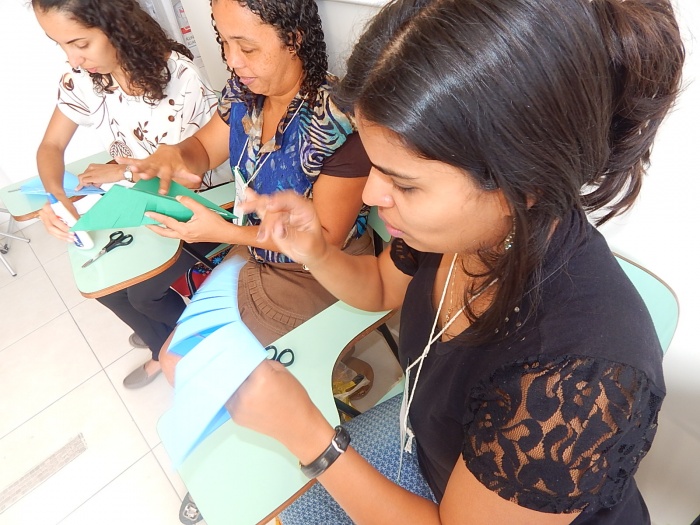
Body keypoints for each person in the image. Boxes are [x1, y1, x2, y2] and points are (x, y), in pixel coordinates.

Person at [225, 0, 685, 523]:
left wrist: (311, 437)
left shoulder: (579, 375)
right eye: (375, 165)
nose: (372, 194)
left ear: (521, 183)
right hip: (431, 451)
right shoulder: (458, 231)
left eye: (404, 184)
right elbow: (380, 286)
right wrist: (315, 250)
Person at [126, 0, 374, 386]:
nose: (232, 60)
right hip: (255, 246)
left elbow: (323, 241)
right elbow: (204, 149)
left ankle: (324, 372)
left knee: (193, 372)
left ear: (294, 38)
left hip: (315, 270)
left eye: (246, 47)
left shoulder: (337, 123)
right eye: (224, 43)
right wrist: (174, 155)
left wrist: (225, 233)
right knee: (174, 359)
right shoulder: (245, 92)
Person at [33, 0, 221, 388]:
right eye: (61, 45)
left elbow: (185, 179)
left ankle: (191, 345)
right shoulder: (84, 76)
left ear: (116, 26)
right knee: (104, 285)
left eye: (80, 44)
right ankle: (162, 343)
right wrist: (55, 198)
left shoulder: (178, 79)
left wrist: (121, 171)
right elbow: (51, 146)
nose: (72, 59)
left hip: (199, 208)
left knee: (141, 295)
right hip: (141, 204)